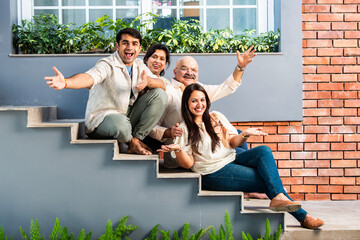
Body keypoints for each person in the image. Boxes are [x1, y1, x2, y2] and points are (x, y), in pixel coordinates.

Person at [158, 83, 325, 230]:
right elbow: (189, 164)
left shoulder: (216, 116)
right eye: (194, 101)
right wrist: (178, 150)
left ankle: (279, 199)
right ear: (187, 104)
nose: (199, 104)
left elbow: (232, 142)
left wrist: (245, 134)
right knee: (266, 180)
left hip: (231, 156)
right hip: (213, 171)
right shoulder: (184, 128)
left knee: (264, 151)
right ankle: (302, 216)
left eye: (202, 100)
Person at [44, 28, 167, 155]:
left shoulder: (139, 65)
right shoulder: (107, 64)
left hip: (126, 115)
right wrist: (65, 82)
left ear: (140, 48)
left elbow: (162, 85)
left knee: (159, 95)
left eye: (134, 44)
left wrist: (148, 81)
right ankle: (132, 143)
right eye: (125, 43)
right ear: (117, 46)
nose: (130, 47)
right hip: (103, 119)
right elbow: (89, 77)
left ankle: (136, 139)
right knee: (122, 125)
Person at [145, 45, 256, 168]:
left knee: (238, 135)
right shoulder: (166, 90)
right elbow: (150, 127)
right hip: (185, 154)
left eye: (194, 70)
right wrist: (168, 132)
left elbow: (226, 88)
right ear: (175, 71)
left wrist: (240, 67)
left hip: (205, 146)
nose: (189, 73)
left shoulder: (199, 89)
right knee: (242, 151)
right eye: (184, 69)